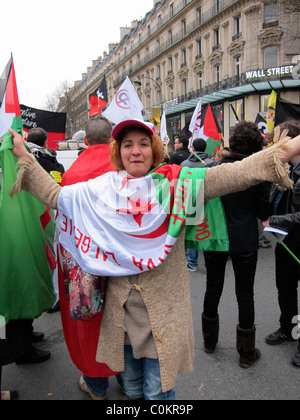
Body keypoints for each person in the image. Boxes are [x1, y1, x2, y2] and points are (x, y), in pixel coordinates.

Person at [8, 119, 300, 399]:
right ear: (119, 153)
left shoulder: (177, 187)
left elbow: (233, 174)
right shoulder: (101, 191)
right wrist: (23, 153)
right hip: (121, 317)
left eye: (144, 143)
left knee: (157, 393)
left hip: (162, 315)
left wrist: (288, 148)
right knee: (133, 389)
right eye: (128, 144)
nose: (136, 150)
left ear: (154, 150)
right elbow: (55, 196)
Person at [201, 121, 272, 368]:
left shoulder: (213, 168)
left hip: (215, 236)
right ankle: (245, 353)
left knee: (213, 287)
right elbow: (264, 211)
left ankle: (209, 342)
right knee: (245, 293)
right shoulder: (257, 173)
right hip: (243, 238)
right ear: (255, 147)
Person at [59, 116, 119, 400]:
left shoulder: (70, 175)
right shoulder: (123, 169)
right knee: (120, 317)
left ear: (85, 141)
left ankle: (96, 386)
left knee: (89, 322)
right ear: (112, 140)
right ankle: (126, 375)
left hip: (84, 263)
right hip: (118, 261)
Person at [262, 120, 300, 367]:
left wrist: (271, 220)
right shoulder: (286, 170)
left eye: (281, 143)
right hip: (286, 242)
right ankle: (287, 328)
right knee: (284, 289)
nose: (277, 148)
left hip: (297, 240)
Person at [181, 138, 213, 271]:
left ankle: (192, 262)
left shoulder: (184, 164)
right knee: (206, 231)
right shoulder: (211, 164)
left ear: (192, 148)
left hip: (190, 200)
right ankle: (208, 264)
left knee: (193, 231)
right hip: (208, 201)